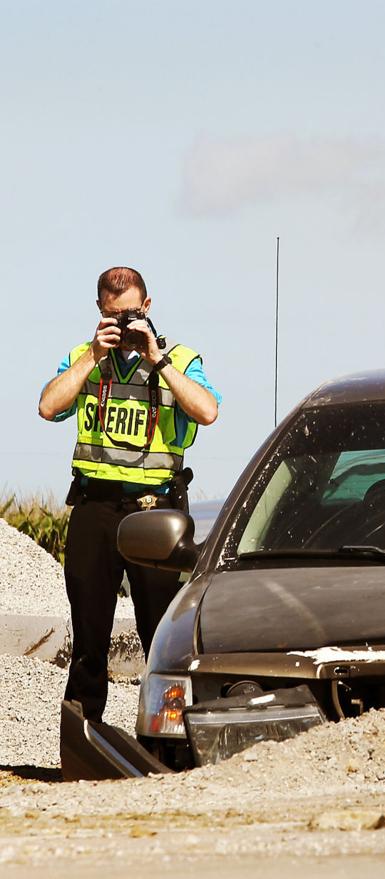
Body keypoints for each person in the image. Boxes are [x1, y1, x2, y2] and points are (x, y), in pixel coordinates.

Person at [38, 267, 221, 722]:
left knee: (162, 636)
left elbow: (207, 410)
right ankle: (83, 741)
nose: (122, 324)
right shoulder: (85, 355)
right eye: (112, 315)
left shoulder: (179, 357)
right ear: (100, 311)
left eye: (131, 314)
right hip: (94, 506)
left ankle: (170, 738)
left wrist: (156, 358)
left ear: (148, 308)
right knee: (88, 638)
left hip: (154, 511)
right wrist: (92, 358)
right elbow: (47, 406)